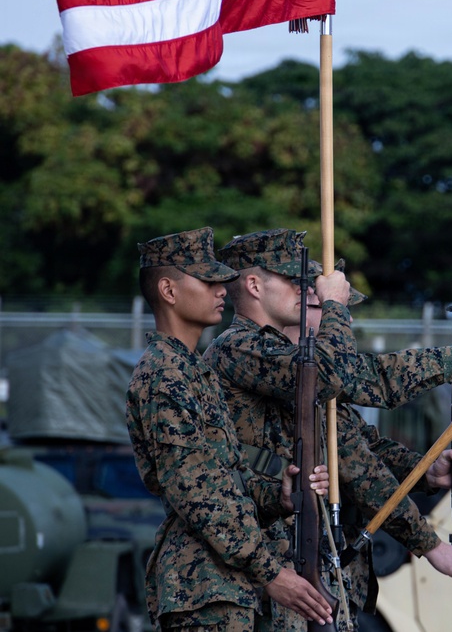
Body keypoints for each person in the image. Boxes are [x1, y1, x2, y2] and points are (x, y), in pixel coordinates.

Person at [203, 228, 452, 629]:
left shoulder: (297, 362)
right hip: (274, 566)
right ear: (255, 285)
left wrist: (426, 472)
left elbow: (362, 437)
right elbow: (351, 436)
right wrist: (429, 544)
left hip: (309, 565)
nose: (309, 294)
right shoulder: (240, 348)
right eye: (297, 282)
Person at [125, 227, 335, 631]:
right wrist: (271, 572)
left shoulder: (193, 371)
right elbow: (195, 491)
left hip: (230, 585)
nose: (223, 288)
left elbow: (228, 476)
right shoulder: (162, 377)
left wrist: (280, 495)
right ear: (168, 291)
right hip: (201, 587)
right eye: (208, 280)